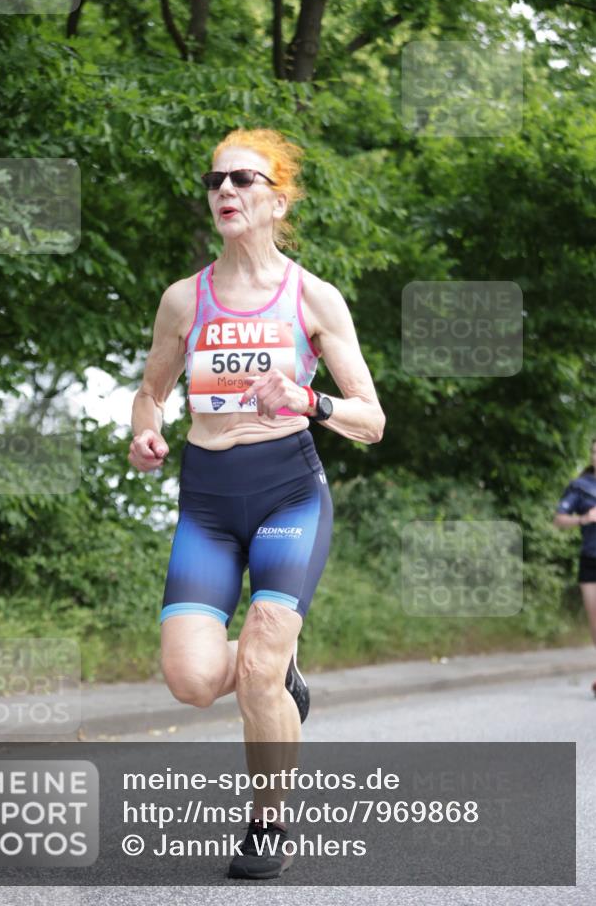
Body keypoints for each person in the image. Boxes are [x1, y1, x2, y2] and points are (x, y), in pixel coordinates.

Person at [128, 127, 385, 879]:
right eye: (214, 181)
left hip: (287, 493)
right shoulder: (184, 299)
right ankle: (279, 670)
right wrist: (145, 434)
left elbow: (370, 420)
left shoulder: (311, 297)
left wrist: (308, 399)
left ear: (276, 199)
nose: (225, 192)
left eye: (242, 180)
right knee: (195, 682)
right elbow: (150, 395)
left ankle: (268, 824)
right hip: (206, 503)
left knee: (259, 669)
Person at [553, 437, 596, 696]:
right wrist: (584, 518)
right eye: (594, 451)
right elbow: (559, 520)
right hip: (591, 560)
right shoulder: (580, 487)